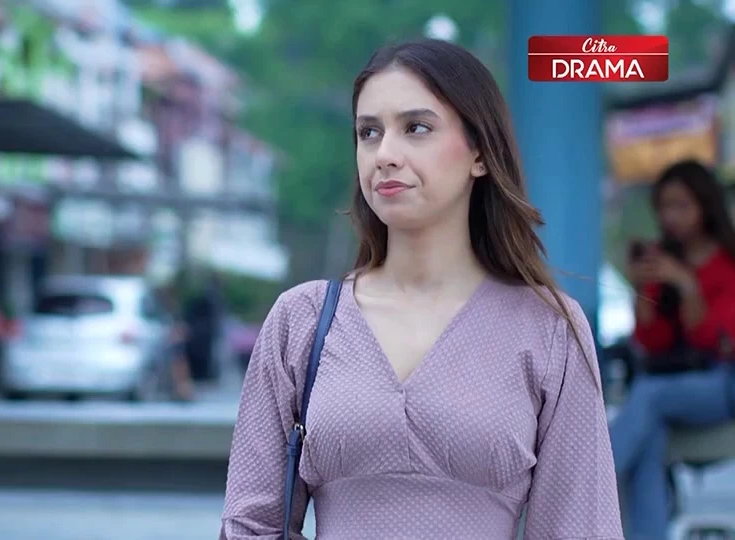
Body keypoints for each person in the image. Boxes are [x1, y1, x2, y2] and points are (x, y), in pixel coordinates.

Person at [220, 39, 622, 539]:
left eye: (416, 128)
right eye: (369, 132)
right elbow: (250, 524)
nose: (385, 155)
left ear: (480, 152)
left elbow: (581, 528)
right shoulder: (301, 320)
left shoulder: (548, 328)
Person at [609, 160, 735, 540]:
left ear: (704, 206)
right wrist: (641, 290)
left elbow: (715, 342)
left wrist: (688, 286)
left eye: (681, 206)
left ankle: (583, 479)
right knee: (648, 438)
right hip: (671, 384)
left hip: (721, 381)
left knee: (648, 395)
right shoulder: (663, 259)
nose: (670, 217)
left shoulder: (726, 263)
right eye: (664, 206)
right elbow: (650, 342)